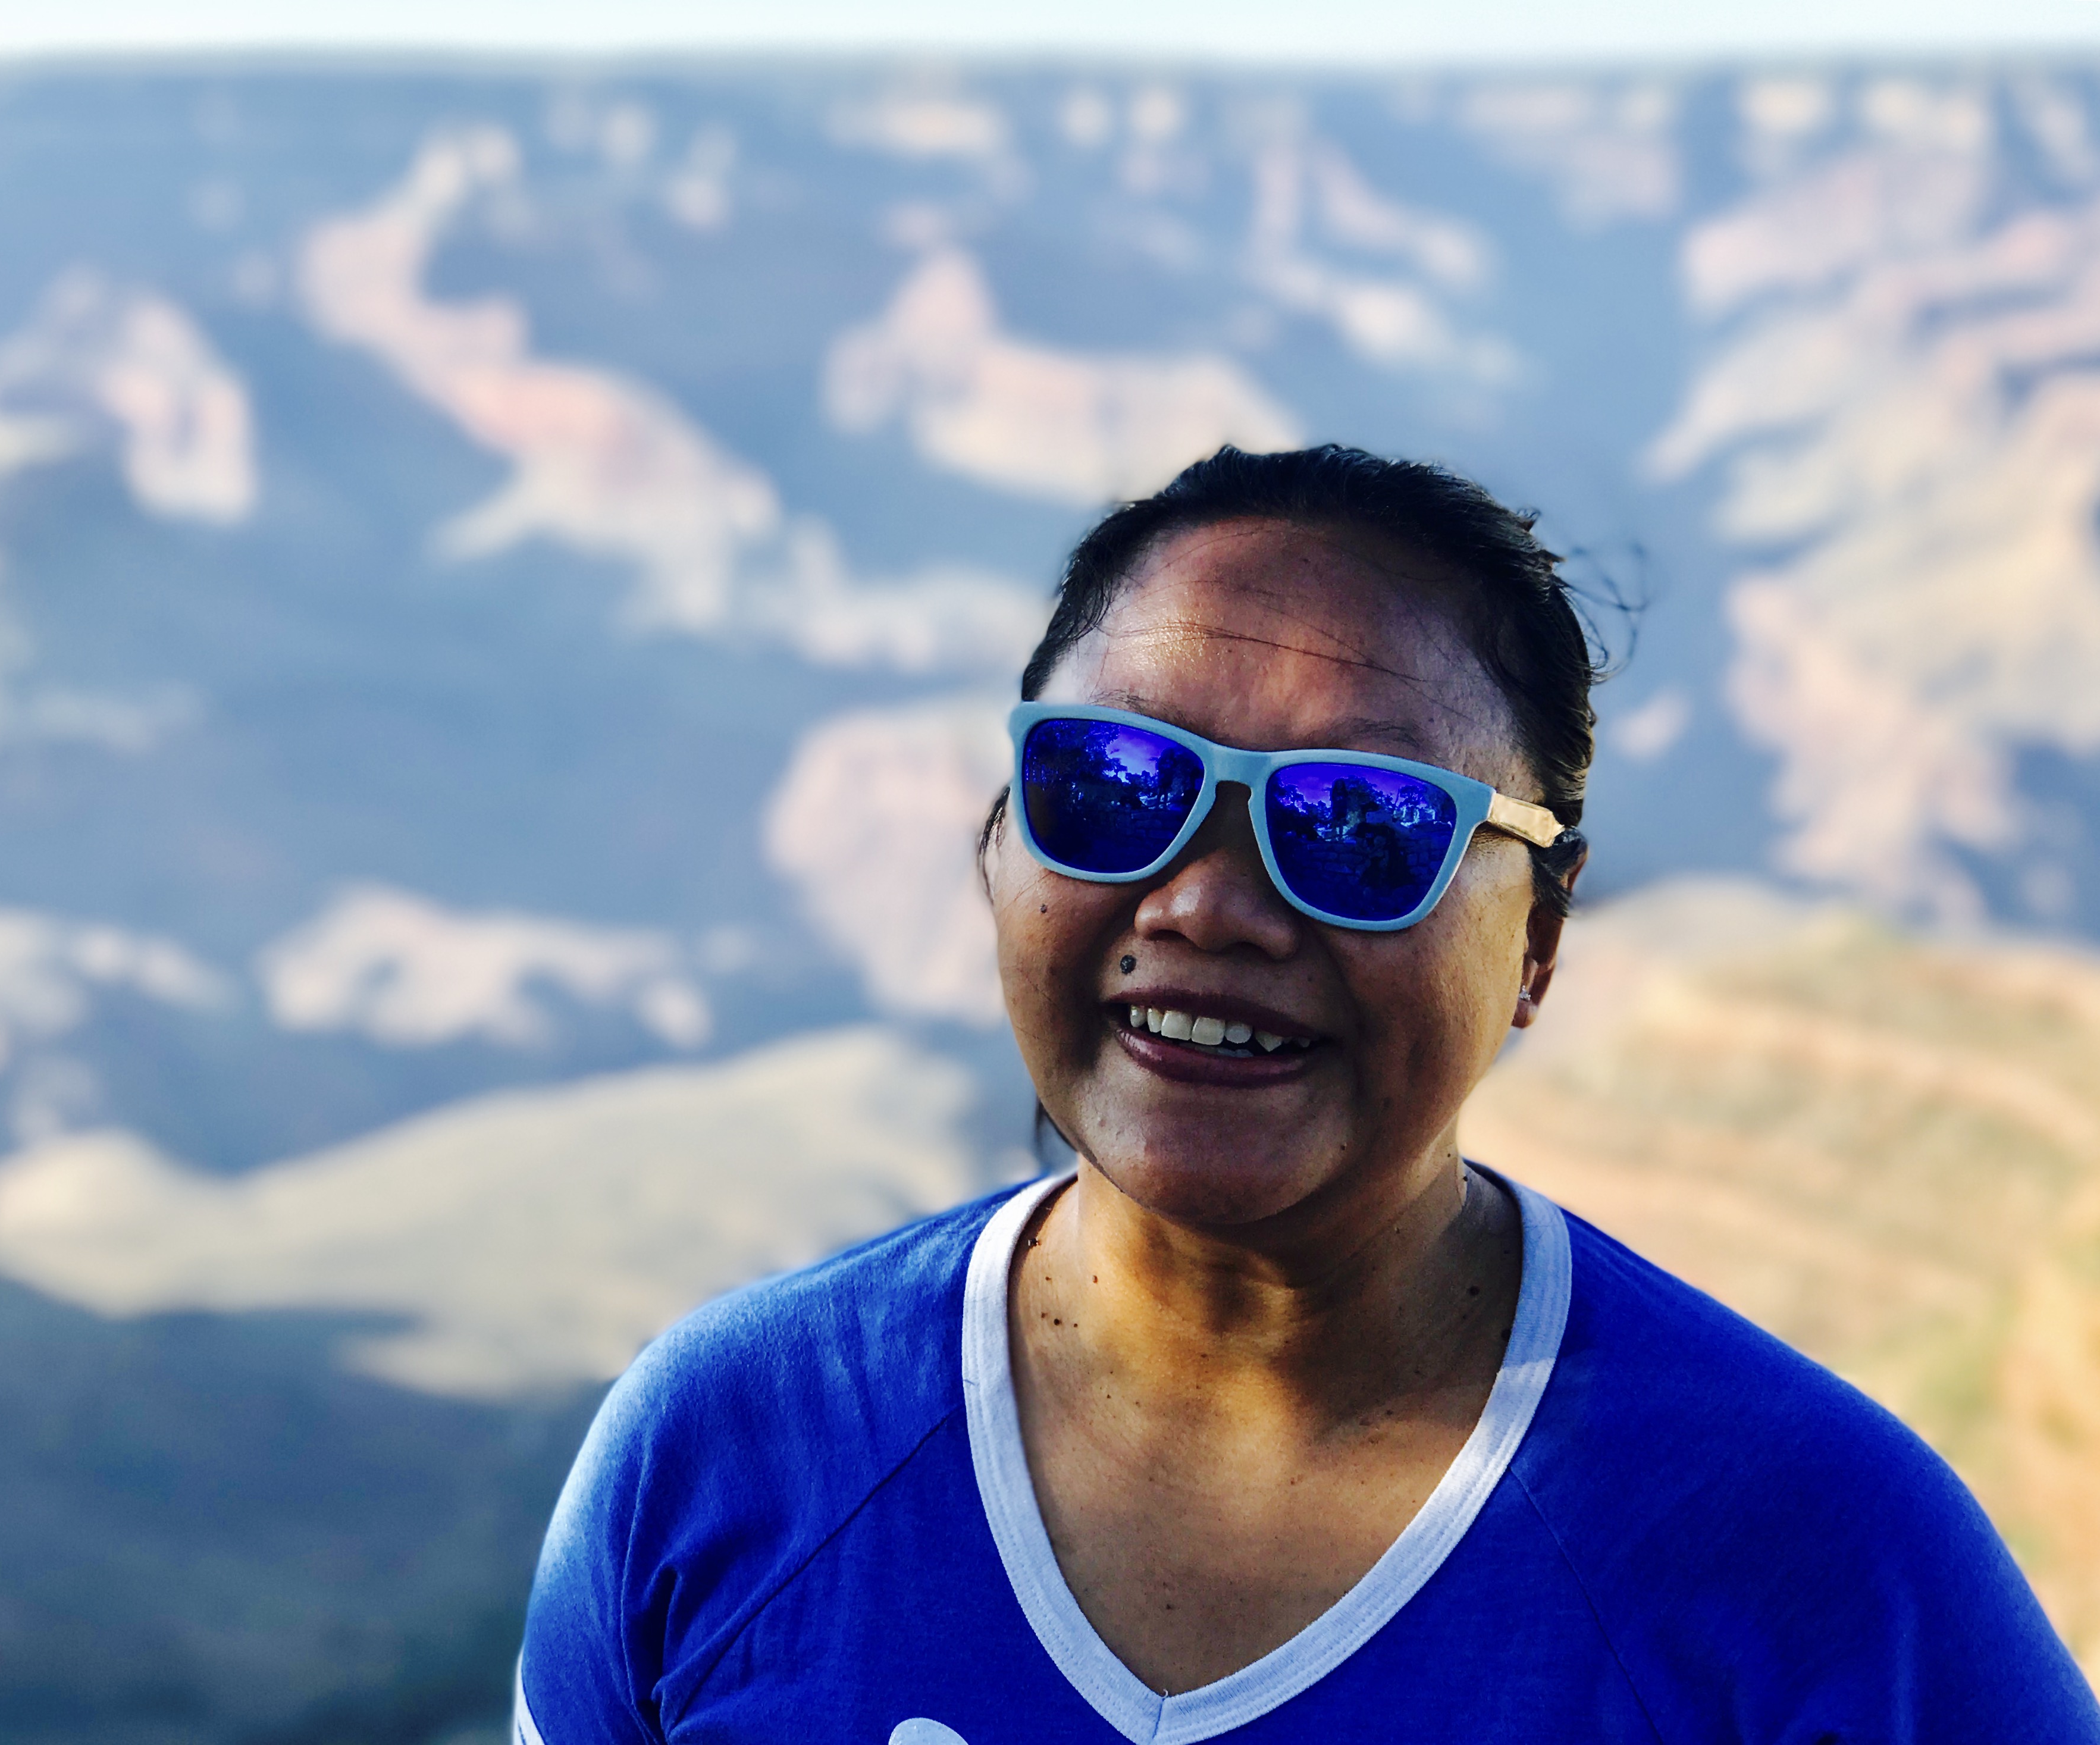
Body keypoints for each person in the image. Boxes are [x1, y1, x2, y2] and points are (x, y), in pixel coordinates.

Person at [516, 446, 2100, 1743]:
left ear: (1539, 939)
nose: (1208, 903)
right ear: (1004, 835)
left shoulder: (1817, 1563)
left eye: (1359, 823)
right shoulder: (728, 1453)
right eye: (1112, 786)